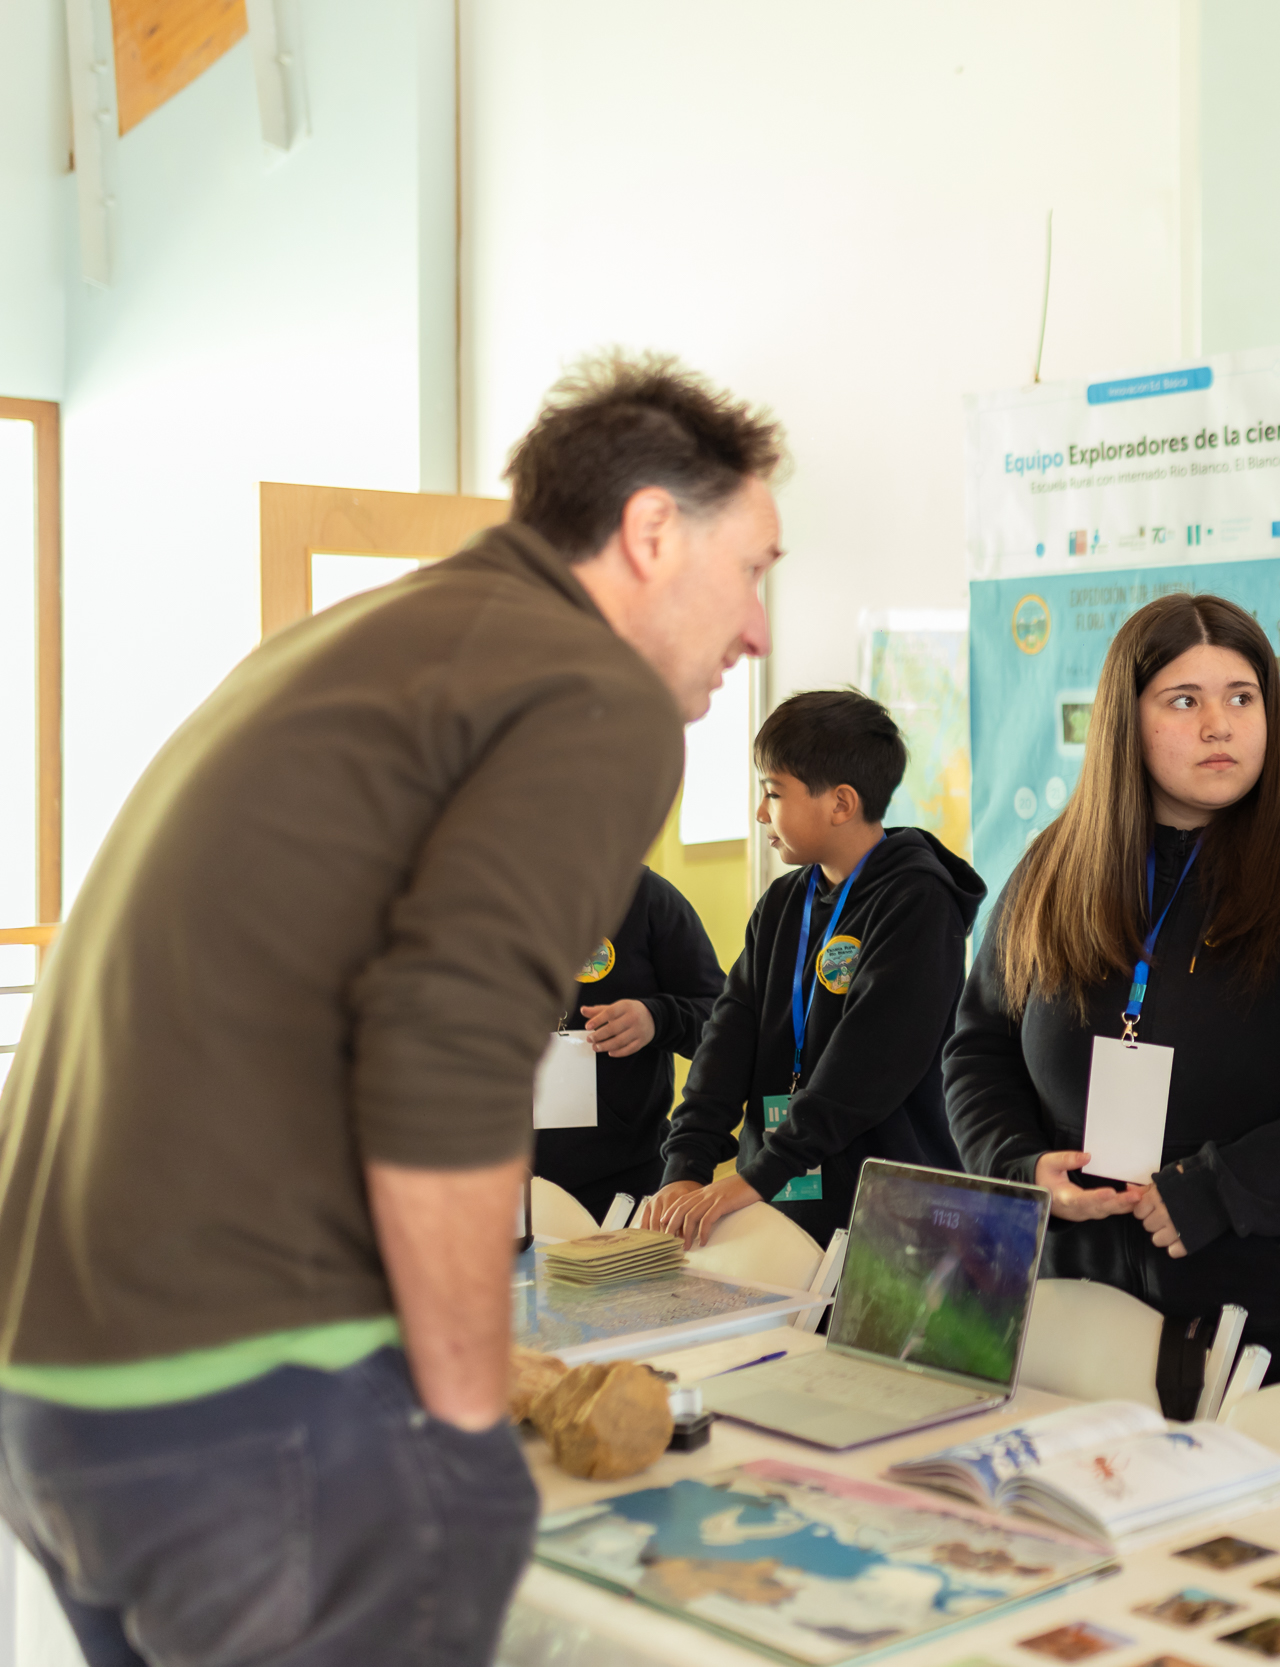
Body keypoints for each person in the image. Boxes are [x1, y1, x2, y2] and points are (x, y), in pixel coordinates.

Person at [0, 351, 780, 1664]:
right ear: (651, 532)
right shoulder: (594, 689)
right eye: (753, 566)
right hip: (256, 1391)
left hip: (64, 1388)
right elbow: (448, 1045)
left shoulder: (360, 646)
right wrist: (465, 1414)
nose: (756, 624)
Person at [947, 594, 1280, 1392]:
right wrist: (1020, 1168)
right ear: (1124, 721)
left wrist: (1220, 1191)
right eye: (1183, 701)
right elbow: (979, 1048)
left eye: (1241, 697)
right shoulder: (1054, 866)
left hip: (1263, 1328)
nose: (1219, 726)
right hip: (1071, 1308)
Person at [657, 691, 985, 1247]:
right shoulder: (784, 903)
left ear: (841, 803)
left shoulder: (918, 904)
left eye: (773, 792)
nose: (761, 812)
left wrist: (759, 1173)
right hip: (776, 1204)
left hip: (888, 1220)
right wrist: (686, 1163)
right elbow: (726, 1039)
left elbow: (865, 1068)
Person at [534, 865, 726, 1219]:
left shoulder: (647, 897)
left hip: (623, 1181)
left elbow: (724, 1022)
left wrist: (656, 1018)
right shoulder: (471, 897)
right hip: (492, 1176)